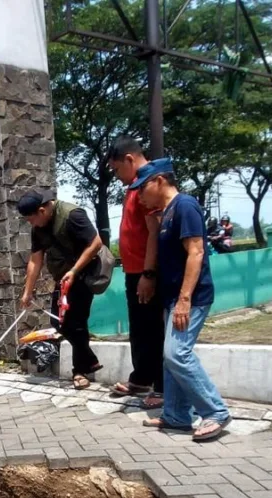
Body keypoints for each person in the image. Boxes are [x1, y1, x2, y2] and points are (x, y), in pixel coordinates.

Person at [131, 159, 231, 442]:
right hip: (173, 296)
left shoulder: (185, 206)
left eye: (142, 188)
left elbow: (196, 252)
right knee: (169, 356)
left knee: (178, 354)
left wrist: (185, 299)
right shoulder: (168, 213)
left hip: (191, 297)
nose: (139, 195)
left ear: (160, 180)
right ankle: (176, 415)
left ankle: (215, 411)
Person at [18, 188, 105, 390]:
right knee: (59, 322)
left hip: (84, 275)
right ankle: (89, 361)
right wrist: (27, 291)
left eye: (31, 219)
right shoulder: (39, 227)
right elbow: (35, 260)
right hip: (64, 277)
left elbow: (96, 243)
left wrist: (74, 271)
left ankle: (80, 371)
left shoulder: (72, 215)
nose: (30, 224)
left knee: (76, 323)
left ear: (42, 210)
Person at [106, 137, 163, 407]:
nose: (117, 177)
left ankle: (162, 387)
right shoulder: (133, 186)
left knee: (154, 330)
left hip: (146, 272)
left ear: (130, 159)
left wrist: (149, 274)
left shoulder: (150, 184)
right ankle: (141, 378)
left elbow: (154, 231)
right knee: (140, 330)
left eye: (117, 169)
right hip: (133, 271)